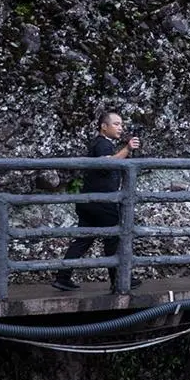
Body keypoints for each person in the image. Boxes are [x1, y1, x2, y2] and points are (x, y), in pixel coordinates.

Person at [52, 112, 140, 291]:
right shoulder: (102, 144)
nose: (120, 127)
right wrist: (127, 149)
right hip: (102, 202)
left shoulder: (101, 144)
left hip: (89, 200)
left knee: (84, 239)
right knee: (113, 238)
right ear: (104, 126)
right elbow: (108, 163)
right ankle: (119, 280)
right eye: (116, 124)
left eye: (121, 124)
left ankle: (62, 277)